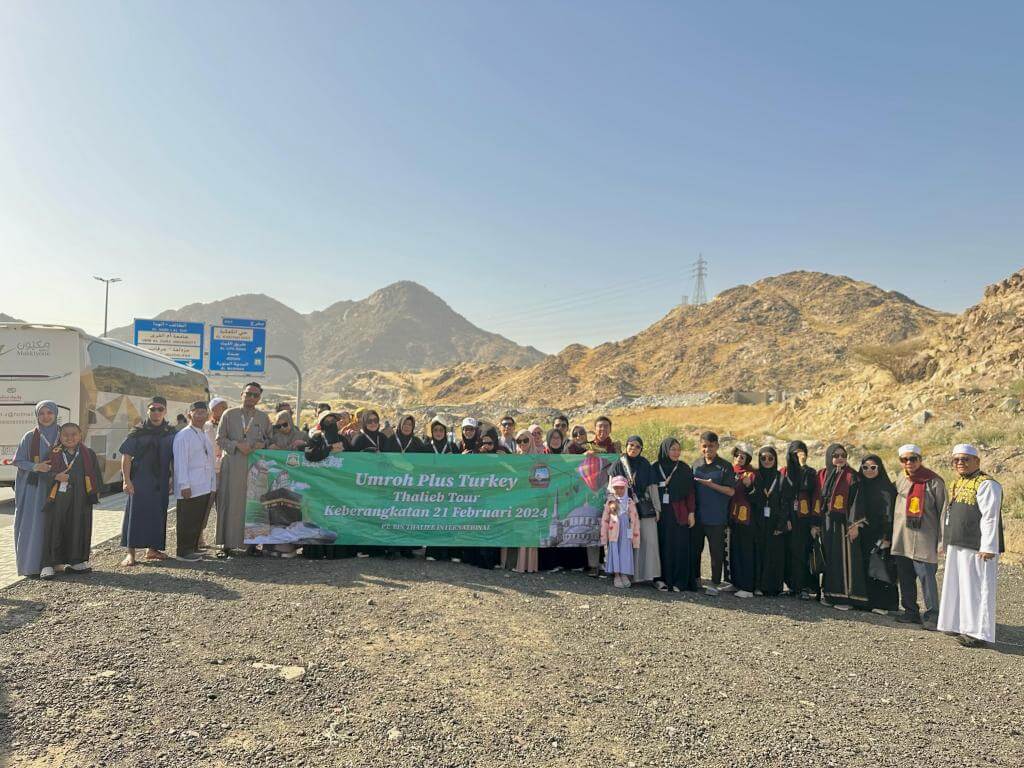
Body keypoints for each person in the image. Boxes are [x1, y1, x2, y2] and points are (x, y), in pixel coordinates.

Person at [937, 444, 1004, 648]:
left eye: (965, 459)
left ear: (977, 461)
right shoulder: (958, 482)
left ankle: (977, 632)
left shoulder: (987, 484)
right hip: (958, 543)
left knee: (976, 589)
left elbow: (990, 517)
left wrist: (988, 546)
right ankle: (956, 623)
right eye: (956, 459)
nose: (960, 463)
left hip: (978, 547)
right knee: (956, 586)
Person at [892, 444, 946, 629]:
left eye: (913, 459)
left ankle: (932, 615)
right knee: (905, 577)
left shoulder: (934, 482)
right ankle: (910, 612)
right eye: (904, 459)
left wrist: (942, 540)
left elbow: (943, 512)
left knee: (927, 579)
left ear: (920, 459)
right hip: (902, 538)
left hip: (924, 538)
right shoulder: (901, 478)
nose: (909, 463)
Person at [38, 423, 100, 579]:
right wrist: (55, 476)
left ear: (80, 436)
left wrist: (94, 494)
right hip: (57, 498)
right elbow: (41, 474)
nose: (70, 438)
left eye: (74, 434)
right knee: (54, 528)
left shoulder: (88, 454)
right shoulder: (53, 453)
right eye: (66, 434)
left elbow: (96, 476)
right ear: (60, 436)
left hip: (81, 498)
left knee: (79, 527)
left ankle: (76, 561)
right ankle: (48, 564)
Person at [120, 396, 177, 566]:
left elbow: (176, 457)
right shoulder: (137, 431)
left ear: (165, 411)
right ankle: (130, 553)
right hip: (140, 478)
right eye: (153, 409)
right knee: (135, 514)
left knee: (158, 513)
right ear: (148, 410)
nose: (156, 412)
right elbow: (126, 457)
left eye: (160, 409)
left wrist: (173, 478)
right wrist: (126, 480)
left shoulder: (171, 432)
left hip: (161, 480)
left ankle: (152, 549)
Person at [216, 383, 272, 556]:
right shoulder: (229, 414)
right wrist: (237, 445)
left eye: (255, 395)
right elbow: (220, 439)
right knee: (229, 502)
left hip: (254, 467)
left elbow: (270, 440)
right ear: (242, 394)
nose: (252, 398)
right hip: (233, 465)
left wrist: (261, 444)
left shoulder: (263, 417)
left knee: (253, 504)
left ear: (259, 398)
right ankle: (226, 544)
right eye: (249, 394)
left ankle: (252, 544)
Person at [12, 401, 61, 577]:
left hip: (58, 486)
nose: (46, 416)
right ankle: (32, 565)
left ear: (55, 414)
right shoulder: (29, 436)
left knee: (57, 523)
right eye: (42, 413)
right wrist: (36, 466)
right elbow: (18, 461)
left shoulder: (63, 434)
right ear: (37, 416)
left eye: (49, 413)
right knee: (35, 524)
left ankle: (56, 562)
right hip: (35, 489)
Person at [819, 443, 868, 610]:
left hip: (844, 524)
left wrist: (854, 525)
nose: (840, 458)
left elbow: (857, 501)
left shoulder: (852, 476)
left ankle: (846, 598)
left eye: (843, 455)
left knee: (844, 560)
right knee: (831, 559)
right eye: (836, 455)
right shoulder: (825, 475)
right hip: (828, 523)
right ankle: (831, 595)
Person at [609, 436, 661, 587]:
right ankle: (624, 573)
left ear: (641, 449)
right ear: (626, 446)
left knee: (647, 540)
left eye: (637, 446)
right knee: (624, 543)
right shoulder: (618, 464)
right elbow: (611, 488)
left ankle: (643, 575)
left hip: (643, 508)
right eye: (631, 445)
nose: (633, 448)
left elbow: (652, 487)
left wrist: (657, 508)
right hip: (623, 509)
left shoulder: (645, 464)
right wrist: (613, 506)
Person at [302, 411, 353, 560]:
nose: (331, 423)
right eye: (328, 421)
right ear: (322, 423)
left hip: (338, 486)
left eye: (333, 421)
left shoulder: (343, 439)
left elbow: (354, 459)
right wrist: (329, 449)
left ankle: (337, 552)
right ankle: (316, 552)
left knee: (337, 517)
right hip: (319, 485)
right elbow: (309, 455)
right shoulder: (316, 438)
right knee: (317, 517)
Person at [692, 431, 735, 596]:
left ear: (717, 446)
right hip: (698, 517)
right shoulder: (695, 465)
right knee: (695, 550)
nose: (707, 449)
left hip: (717, 518)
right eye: (704, 446)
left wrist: (712, 485)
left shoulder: (725, 466)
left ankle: (715, 583)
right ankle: (695, 580)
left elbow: (731, 491)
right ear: (700, 446)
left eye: (711, 446)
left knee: (716, 553)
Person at [172, 402, 217, 561]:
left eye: (203, 413)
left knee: (197, 519)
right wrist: (184, 485)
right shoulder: (184, 435)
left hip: (203, 484)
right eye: (196, 412)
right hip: (190, 485)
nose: (200, 416)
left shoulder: (202, 433)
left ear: (207, 415)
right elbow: (180, 463)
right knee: (187, 519)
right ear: (189, 414)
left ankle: (193, 547)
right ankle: (183, 552)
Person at [856, 454, 900, 613]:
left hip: (881, 534)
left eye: (873, 467)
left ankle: (885, 604)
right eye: (865, 467)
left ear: (879, 468)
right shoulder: (860, 486)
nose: (868, 470)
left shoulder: (885, 488)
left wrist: (886, 537)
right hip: (865, 533)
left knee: (882, 567)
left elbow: (889, 514)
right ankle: (868, 601)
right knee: (867, 566)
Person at [654, 437, 696, 592]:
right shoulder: (655, 467)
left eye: (678, 449)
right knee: (662, 545)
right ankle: (661, 579)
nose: (676, 452)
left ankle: (679, 581)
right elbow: (650, 490)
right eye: (673, 449)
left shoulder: (684, 468)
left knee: (679, 546)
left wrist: (691, 512)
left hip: (679, 513)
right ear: (665, 449)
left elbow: (691, 492)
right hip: (660, 514)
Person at [781, 440, 820, 600]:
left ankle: (804, 587)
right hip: (788, 518)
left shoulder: (810, 473)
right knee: (788, 553)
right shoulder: (784, 472)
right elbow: (781, 497)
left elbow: (816, 497)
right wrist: (784, 519)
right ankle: (792, 586)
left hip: (804, 520)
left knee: (802, 553)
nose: (799, 455)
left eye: (802, 452)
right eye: (796, 453)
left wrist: (815, 523)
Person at [460, 427, 502, 570]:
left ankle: (490, 560)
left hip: (494, 500)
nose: (487, 446)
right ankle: (474, 558)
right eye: (484, 442)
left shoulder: (502, 454)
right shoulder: (473, 454)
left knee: (491, 529)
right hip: (477, 499)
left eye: (490, 443)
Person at [749, 445, 788, 596]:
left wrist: (782, 523)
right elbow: (751, 497)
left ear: (775, 459)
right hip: (758, 520)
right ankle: (757, 585)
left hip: (774, 521)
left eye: (770, 458)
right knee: (758, 551)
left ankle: (772, 587)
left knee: (773, 553)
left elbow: (785, 502)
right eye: (763, 458)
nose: (767, 461)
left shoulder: (780, 478)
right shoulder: (756, 476)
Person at [502, 431, 539, 573]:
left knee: (526, 532)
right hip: (515, 500)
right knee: (513, 530)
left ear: (531, 441)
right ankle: (510, 563)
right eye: (519, 441)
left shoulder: (538, 459)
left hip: (530, 502)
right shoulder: (514, 458)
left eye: (525, 440)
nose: (522, 444)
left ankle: (525, 564)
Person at [728, 444, 758, 598]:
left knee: (745, 551)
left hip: (747, 517)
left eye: (743, 456)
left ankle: (747, 587)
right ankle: (735, 582)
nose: (739, 458)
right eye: (737, 455)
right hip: (733, 516)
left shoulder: (752, 474)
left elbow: (756, 497)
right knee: (734, 550)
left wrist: (750, 486)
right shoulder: (731, 470)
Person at [602, 475, 640, 588]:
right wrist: (604, 537)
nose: (619, 490)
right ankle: (616, 575)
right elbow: (604, 520)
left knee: (625, 552)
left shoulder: (629, 502)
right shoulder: (610, 502)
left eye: (621, 488)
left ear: (626, 488)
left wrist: (635, 537)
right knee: (615, 551)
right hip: (614, 533)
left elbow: (635, 519)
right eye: (616, 488)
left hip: (626, 532)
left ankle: (624, 574)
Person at [200, 397, 228, 549]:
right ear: (213, 410)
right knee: (205, 506)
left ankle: (222, 540)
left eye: (226, 407)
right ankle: (199, 538)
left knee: (223, 507)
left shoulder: (230, 426)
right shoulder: (205, 427)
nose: (224, 410)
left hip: (225, 472)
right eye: (221, 407)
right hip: (209, 473)